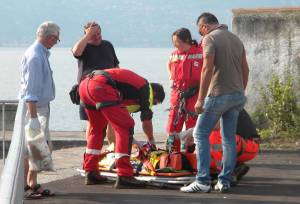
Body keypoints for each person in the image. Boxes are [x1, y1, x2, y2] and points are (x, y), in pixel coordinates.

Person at [181, 12, 249, 193]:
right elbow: (245, 69)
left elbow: (207, 68)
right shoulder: (236, 39)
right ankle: (224, 181)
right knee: (228, 139)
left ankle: (202, 181)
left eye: (200, 32)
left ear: (204, 26)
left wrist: (201, 99)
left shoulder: (210, 38)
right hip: (237, 95)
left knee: (199, 133)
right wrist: (241, 92)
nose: (201, 36)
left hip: (218, 94)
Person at [79, 68, 165, 188]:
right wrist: (151, 141)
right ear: (154, 94)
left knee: (97, 129)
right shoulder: (145, 88)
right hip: (100, 86)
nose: (152, 105)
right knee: (126, 126)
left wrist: (133, 141)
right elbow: (146, 119)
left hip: (85, 86)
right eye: (155, 103)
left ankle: (91, 171)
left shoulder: (129, 88)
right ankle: (125, 175)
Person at [19, 21, 60, 199]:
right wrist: (34, 117)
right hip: (36, 109)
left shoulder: (40, 53)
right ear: (50, 37)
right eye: (56, 39)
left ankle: (31, 184)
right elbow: (31, 91)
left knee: (37, 149)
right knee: (32, 148)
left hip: (40, 107)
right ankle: (24, 188)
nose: (56, 42)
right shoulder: (36, 56)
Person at [71, 21, 119, 142]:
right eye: (93, 35)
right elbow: (76, 52)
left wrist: (119, 85)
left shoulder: (108, 45)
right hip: (89, 90)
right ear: (86, 34)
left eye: (99, 34)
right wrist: (87, 36)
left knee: (111, 121)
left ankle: (111, 151)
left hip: (108, 88)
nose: (97, 37)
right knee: (93, 123)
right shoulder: (83, 46)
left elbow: (116, 65)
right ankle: (91, 152)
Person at [166, 28, 203, 152]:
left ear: (187, 40)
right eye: (174, 43)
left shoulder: (200, 53)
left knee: (192, 125)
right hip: (177, 94)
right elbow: (169, 67)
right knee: (172, 124)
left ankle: (191, 154)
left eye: (178, 42)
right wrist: (170, 78)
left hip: (194, 94)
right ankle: (172, 154)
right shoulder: (173, 55)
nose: (176, 45)